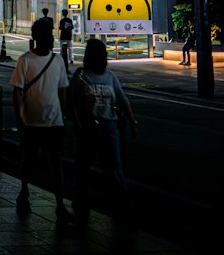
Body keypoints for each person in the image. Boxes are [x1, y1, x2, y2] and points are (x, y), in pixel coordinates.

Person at [66, 38, 138, 221]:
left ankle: (123, 205)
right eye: (102, 55)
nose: (104, 58)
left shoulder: (110, 77)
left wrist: (132, 120)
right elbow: (72, 99)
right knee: (82, 167)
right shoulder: (81, 75)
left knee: (114, 168)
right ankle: (80, 203)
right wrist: (77, 122)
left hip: (109, 127)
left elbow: (122, 100)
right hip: (88, 128)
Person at [10, 32, 73, 225]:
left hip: (53, 121)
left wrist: (63, 114)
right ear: (38, 38)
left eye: (51, 38)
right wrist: (20, 118)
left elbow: (62, 89)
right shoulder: (25, 60)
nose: (50, 41)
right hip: (32, 121)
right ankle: (24, 191)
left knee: (54, 161)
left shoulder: (57, 60)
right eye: (47, 38)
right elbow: (17, 91)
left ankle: (60, 204)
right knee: (29, 158)